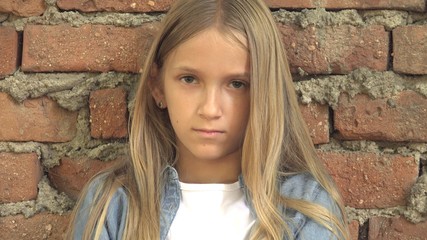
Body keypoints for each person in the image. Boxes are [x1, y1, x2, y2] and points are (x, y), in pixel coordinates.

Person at [66, 0, 350, 239]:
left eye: (237, 84)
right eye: (189, 79)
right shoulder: (113, 203)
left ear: (266, 92)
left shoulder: (306, 208)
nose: (211, 109)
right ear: (157, 85)